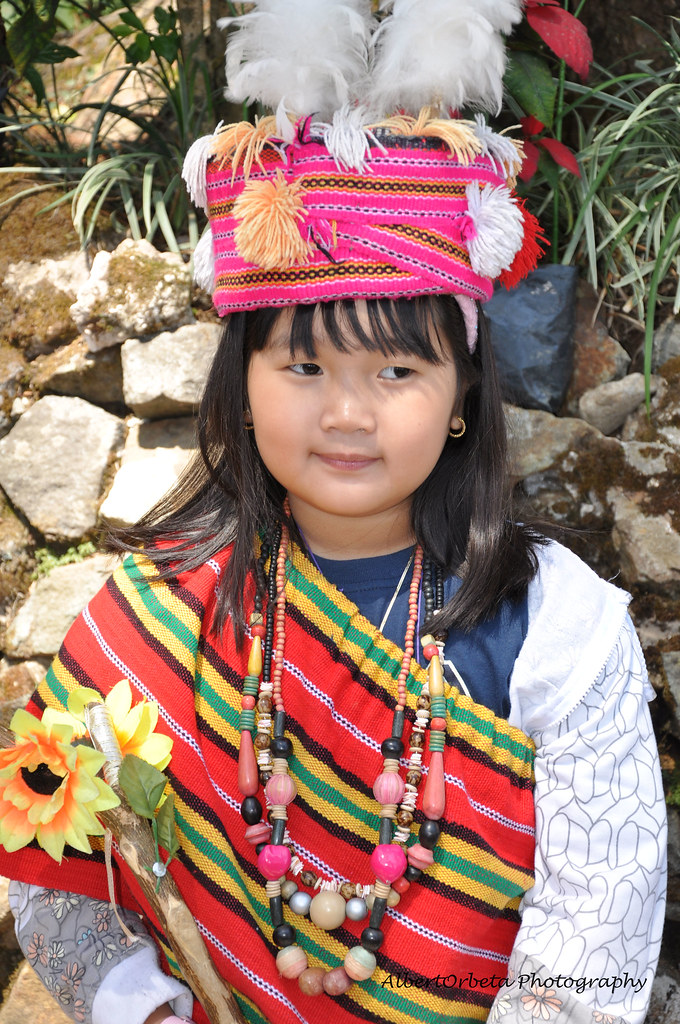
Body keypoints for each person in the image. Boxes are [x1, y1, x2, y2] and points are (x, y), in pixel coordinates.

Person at [0, 3, 667, 1024]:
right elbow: (50, 876)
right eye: (303, 363)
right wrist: (148, 1008)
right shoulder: (152, 619)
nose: (347, 413)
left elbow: (587, 960)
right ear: (241, 383)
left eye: (397, 368)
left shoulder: (560, 639)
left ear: (460, 399)